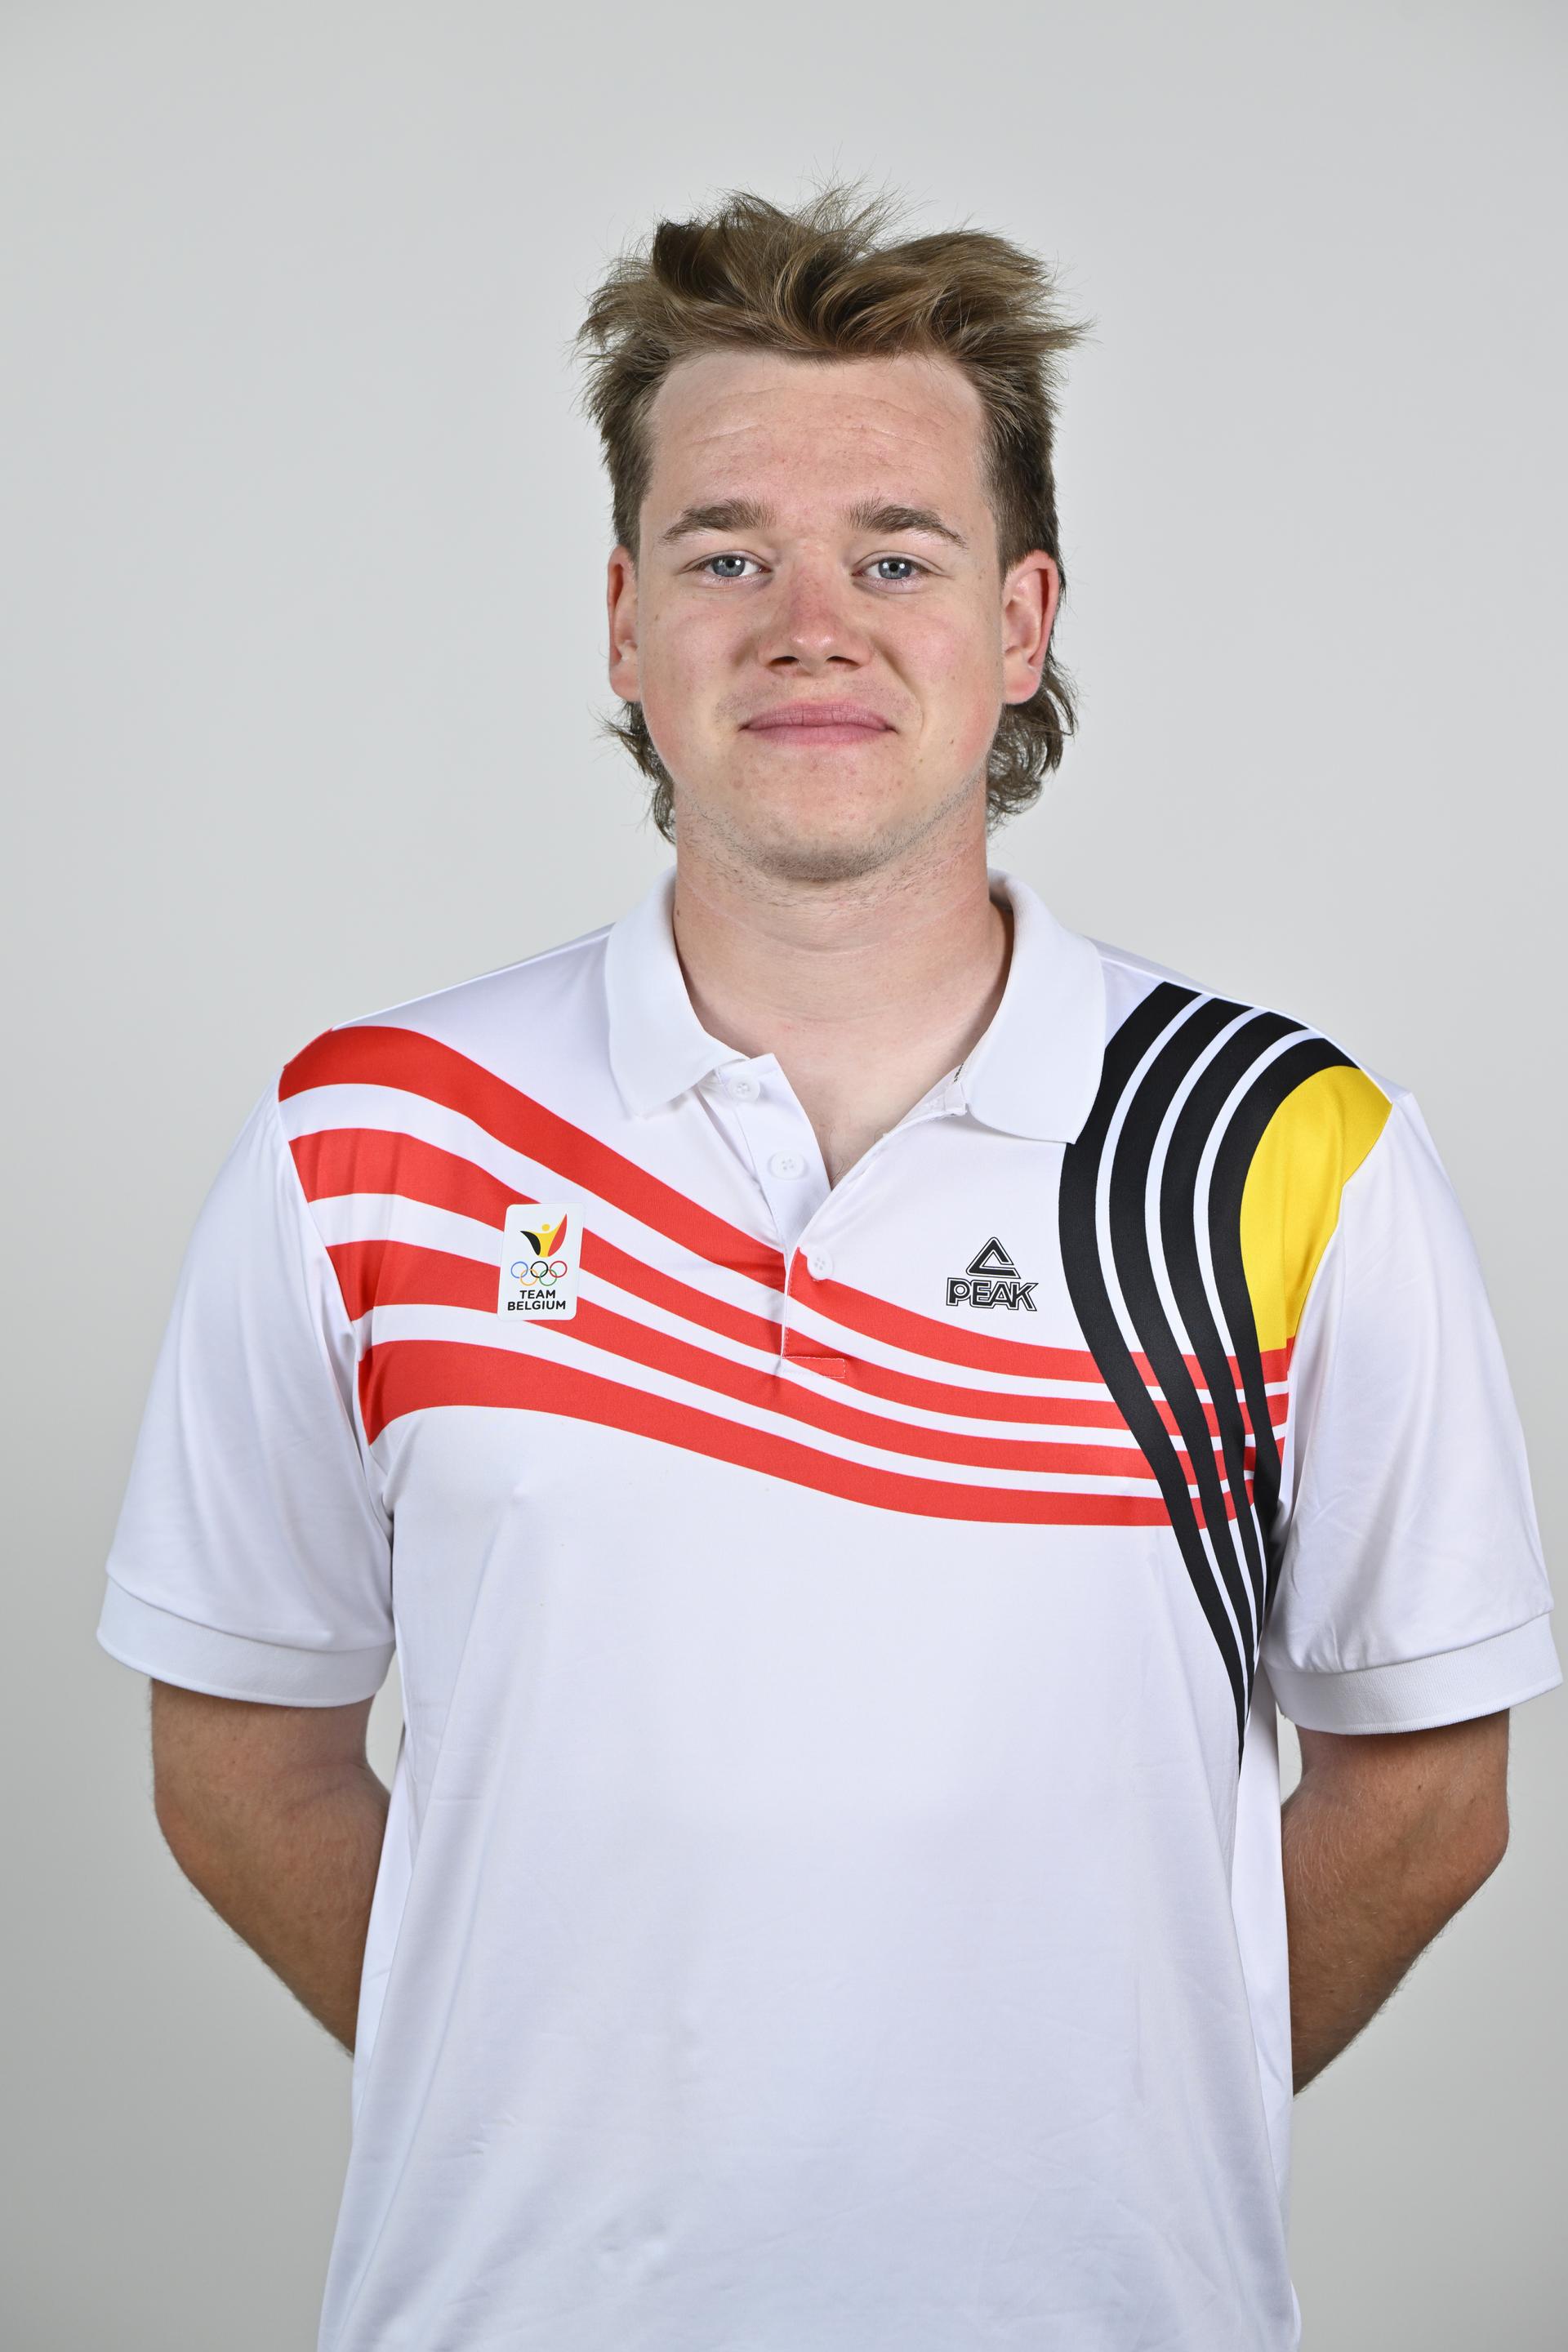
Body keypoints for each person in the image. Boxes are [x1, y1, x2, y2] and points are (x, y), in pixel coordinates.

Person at [96, 183, 1560, 2352]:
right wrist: (527, 2103)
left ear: (1025, 618)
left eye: (897, 555)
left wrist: (1098, 2127)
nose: (812, 623)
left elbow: (1429, 1796)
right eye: (724, 555)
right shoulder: (372, 1140)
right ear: (621, 622)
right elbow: (235, 1756)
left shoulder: (1286, 1151)